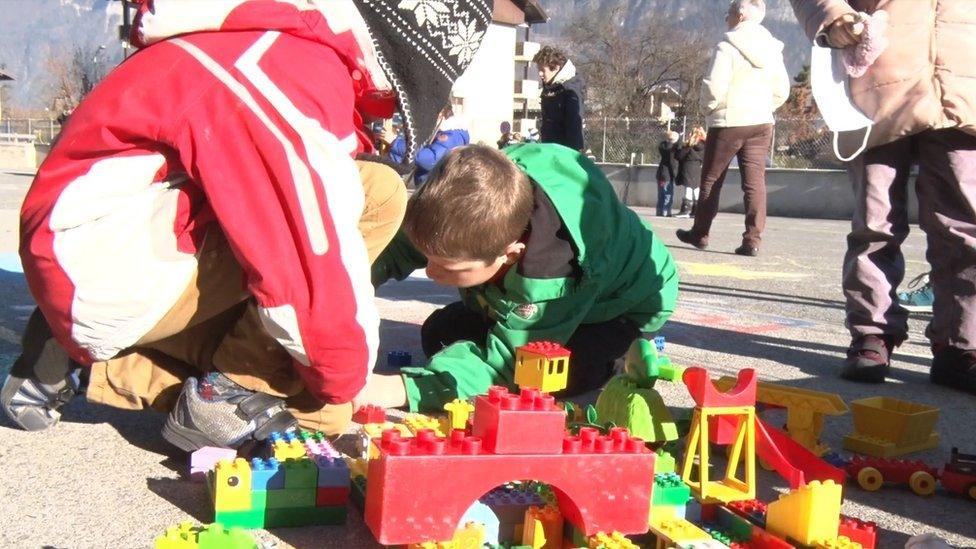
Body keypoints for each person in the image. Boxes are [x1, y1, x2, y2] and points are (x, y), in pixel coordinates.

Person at [0, 0, 493, 448]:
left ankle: (90, 364)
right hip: (104, 263)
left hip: (108, 256)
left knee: (324, 413)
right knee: (377, 196)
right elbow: (305, 252)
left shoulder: (280, 45)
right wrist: (345, 374)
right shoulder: (286, 67)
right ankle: (226, 393)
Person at [358, 144, 679, 412]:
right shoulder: (475, 196)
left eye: (447, 267)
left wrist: (394, 389)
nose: (429, 271)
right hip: (533, 290)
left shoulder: (552, 269)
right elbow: (394, 249)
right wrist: (346, 289)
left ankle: (618, 354)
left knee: (541, 382)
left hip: (621, 305)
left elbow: (508, 368)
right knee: (440, 334)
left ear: (509, 255)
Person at [790, 0, 976, 393]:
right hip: (876, 83)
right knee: (875, 223)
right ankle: (872, 332)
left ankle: (961, 344)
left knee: (964, 228)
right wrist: (830, 14)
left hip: (964, 82)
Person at [676, 0, 790, 256]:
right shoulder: (773, 48)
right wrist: (763, 107)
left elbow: (713, 85)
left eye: (728, 14)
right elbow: (782, 90)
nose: (726, 19)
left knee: (711, 180)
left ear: (739, 15)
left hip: (728, 120)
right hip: (761, 121)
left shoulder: (727, 46)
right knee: (755, 182)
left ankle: (700, 233)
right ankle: (753, 239)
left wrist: (710, 108)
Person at [533, 46, 586, 151]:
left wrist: (572, 155)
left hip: (563, 152)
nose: (540, 74)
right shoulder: (551, 89)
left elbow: (575, 125)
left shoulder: (569, 91)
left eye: (543, 70)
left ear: (556, 68)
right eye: (539, 70)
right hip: (551, 149)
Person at [675, 126, 707, 218]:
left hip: (688, 168)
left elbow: (679, 156)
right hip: (698, 168)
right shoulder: (705, 146)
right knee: (696, 189)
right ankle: (697, 211)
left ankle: (685, 210)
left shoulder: (690, 145)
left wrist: (680, 143)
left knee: (688, 189)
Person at [656, 131, 680, 217]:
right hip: (668, 175)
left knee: (661, 194)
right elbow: (672, 164)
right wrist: (675, 174)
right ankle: (666, 211)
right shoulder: (672, 150)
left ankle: (659, 211)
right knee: (668, 194)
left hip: (661, 174)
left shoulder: (662, 146)